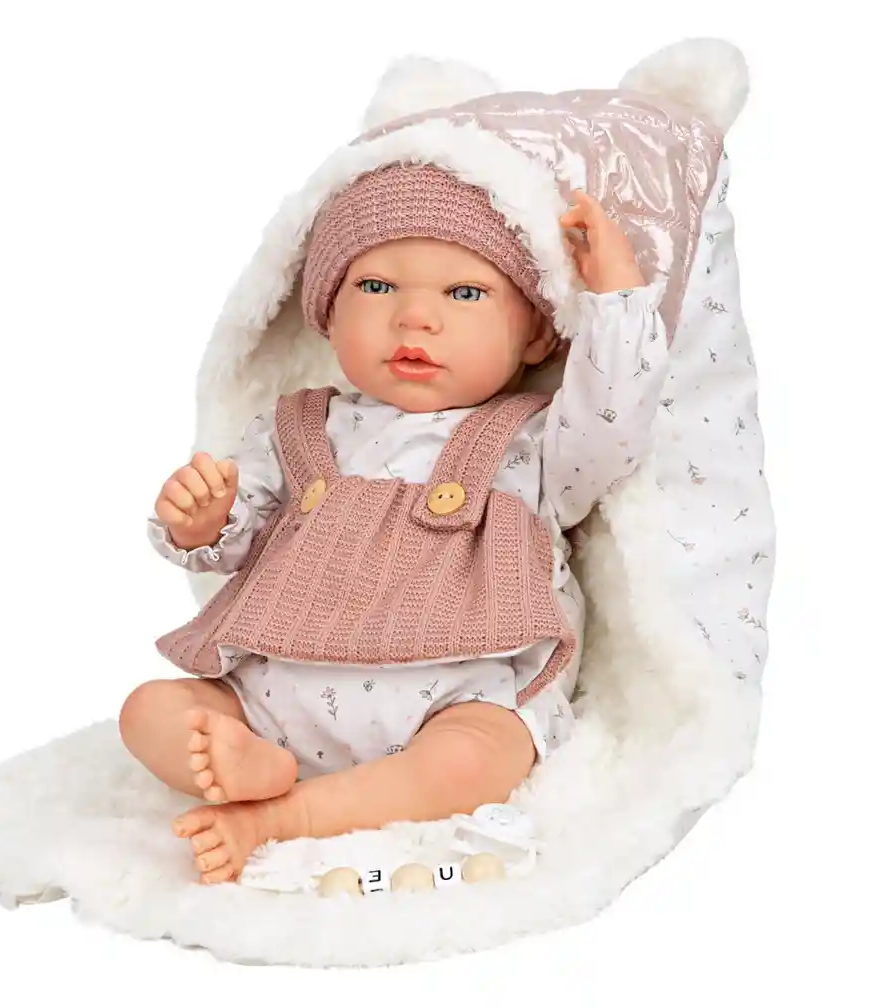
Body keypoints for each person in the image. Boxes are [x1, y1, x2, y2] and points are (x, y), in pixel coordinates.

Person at [119, 161, 670, 884]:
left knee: (481, 757)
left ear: (538, 338)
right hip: (273, 691)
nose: (414, 317)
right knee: (149, 710)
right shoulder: (298, 427)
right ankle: (254, 761)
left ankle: (284, 815)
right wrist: (205, 519)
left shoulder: (534, 443)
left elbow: (615, 423)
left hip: (450, 697)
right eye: (376, 287)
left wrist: (616, 300)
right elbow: (238, 538)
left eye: (464, 293)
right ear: (328, 315)